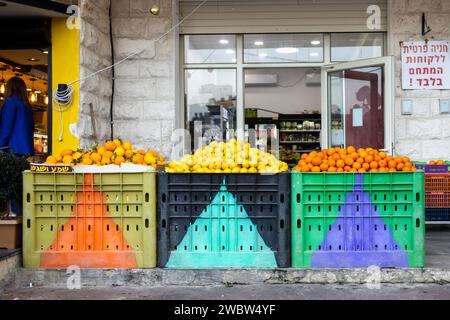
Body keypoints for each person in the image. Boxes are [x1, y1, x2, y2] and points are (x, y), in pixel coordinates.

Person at [0, 77, 35, 156]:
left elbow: (6, 128)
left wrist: (0, 143)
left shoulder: (10, 101)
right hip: (27, 149)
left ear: (9, 87)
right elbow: (32, 128)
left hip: (12, 149)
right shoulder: (27, 105)